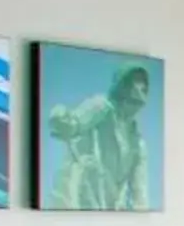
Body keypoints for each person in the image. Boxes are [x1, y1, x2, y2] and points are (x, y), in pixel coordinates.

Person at [45, 63, 154, 209]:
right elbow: (73, 124)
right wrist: (60, 118)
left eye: (144, 85)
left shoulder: (137, 142)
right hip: (78, 197)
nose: (141, 89)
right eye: (136, 82)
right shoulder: (101, 107)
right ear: (124, 85)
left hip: (107, 210)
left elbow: (140, 191)